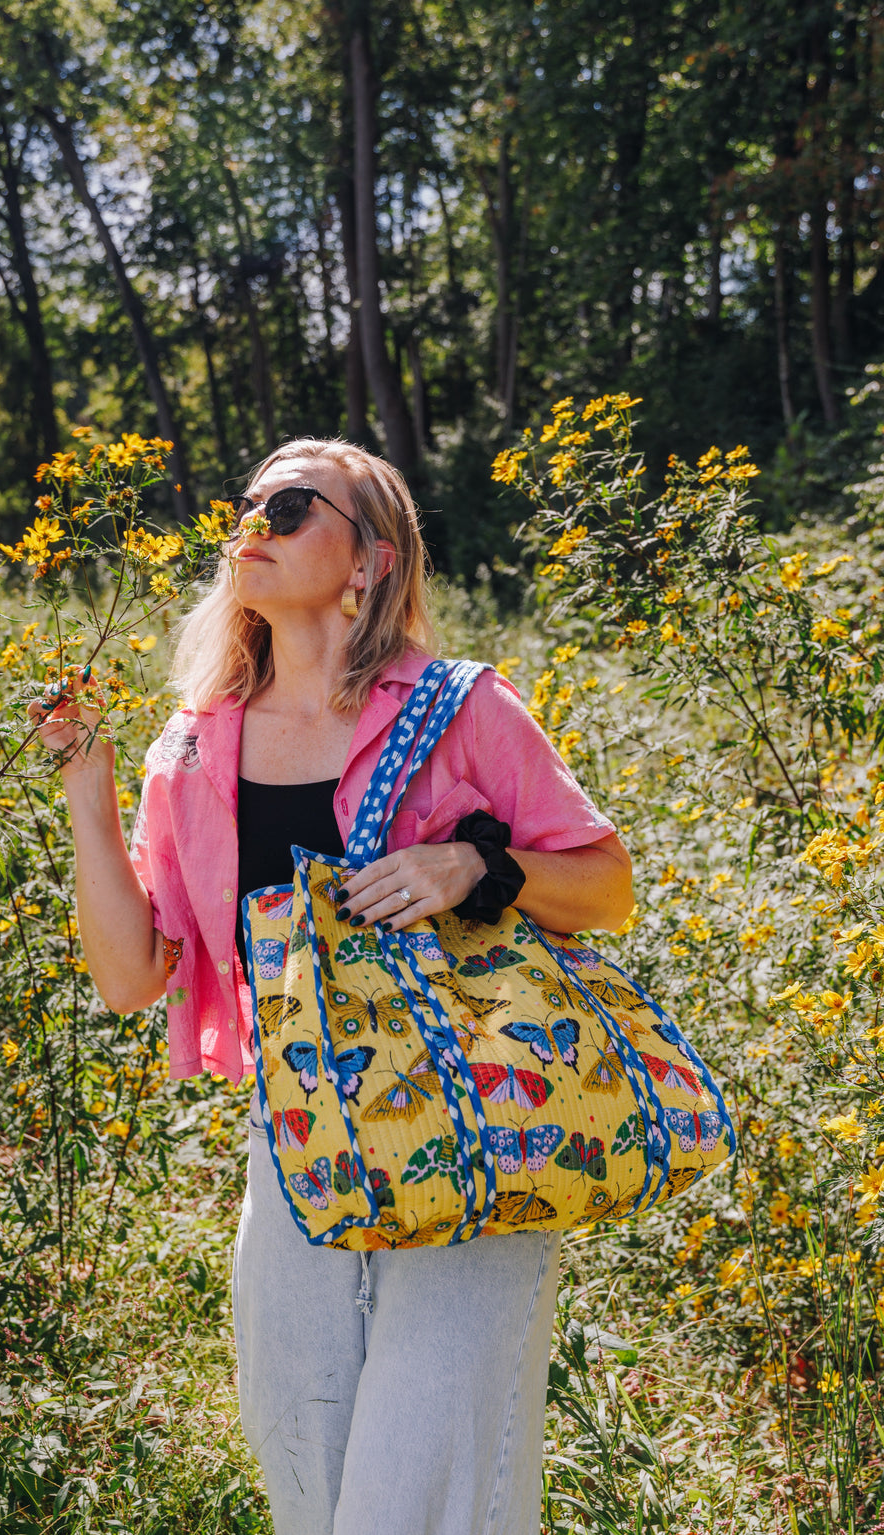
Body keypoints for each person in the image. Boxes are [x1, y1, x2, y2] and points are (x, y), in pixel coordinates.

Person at [32, 438, 633, 1535]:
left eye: (293, 503)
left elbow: (606, 884)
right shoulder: (194, 748)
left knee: (424, 1483)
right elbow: (132, 979)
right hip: (295, 1130)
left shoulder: (461, 708)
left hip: (473, 1121)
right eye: (245, 501)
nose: (251, 521)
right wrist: (88, 790)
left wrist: (474, 865)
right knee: (308, 1471)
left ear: (369, 559)